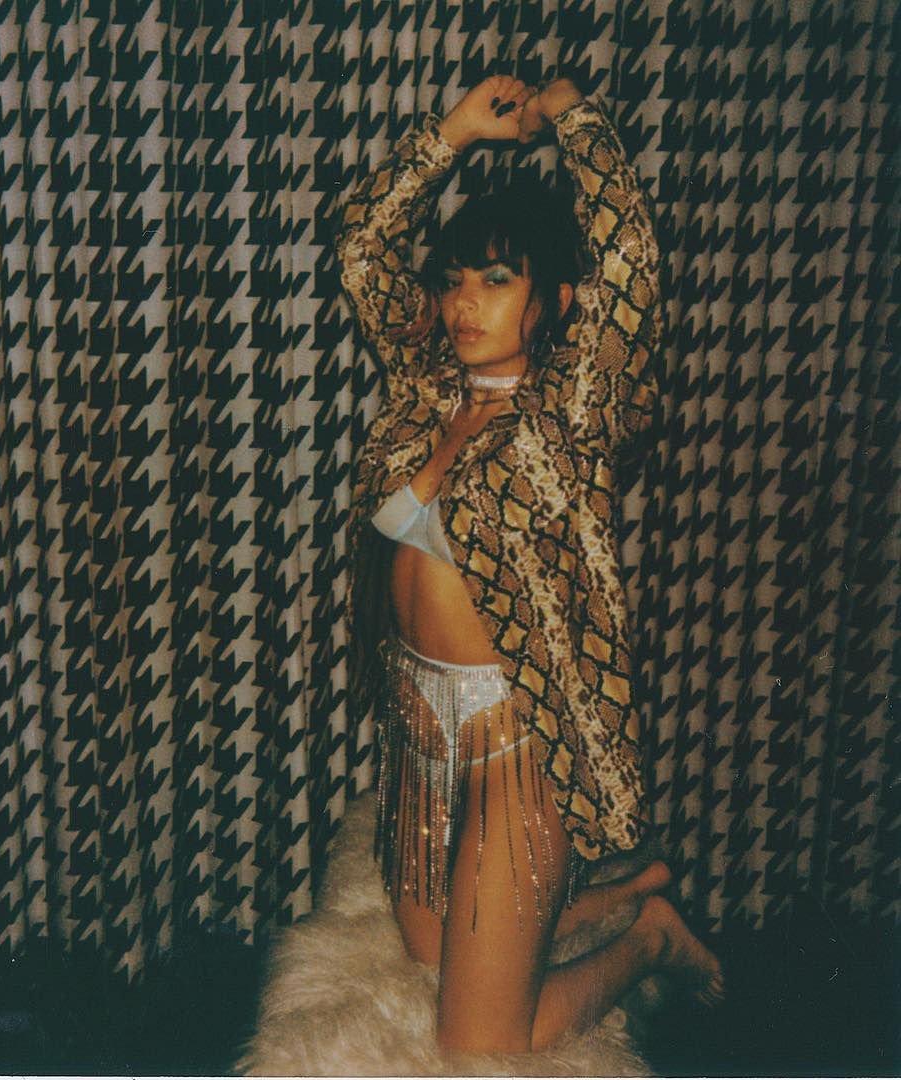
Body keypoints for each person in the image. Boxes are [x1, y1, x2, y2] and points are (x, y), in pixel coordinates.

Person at [335, 73, 724, 1053]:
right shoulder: (425, 386)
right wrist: (453, 134)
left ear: (552, 299)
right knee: (426, 956)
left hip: (518, 743)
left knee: (480, 1041)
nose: (465, 303)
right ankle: (614, 892)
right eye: (456, 281)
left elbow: (630, 261)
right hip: (418, 726)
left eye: (497, 280)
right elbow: (363, 250)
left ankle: (649, 937)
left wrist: (576, 122)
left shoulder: (573, 412)